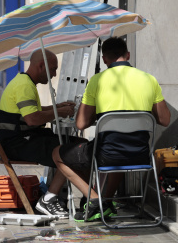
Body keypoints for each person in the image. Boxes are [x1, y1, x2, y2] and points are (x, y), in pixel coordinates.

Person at [52, 37, 171, 222]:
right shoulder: (149, 79)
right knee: (119, 150)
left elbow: (81, 124)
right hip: (140, 154)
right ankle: (103, 202)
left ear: (105, 59)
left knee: (58, 153)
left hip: (107, 155)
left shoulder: (97, 80)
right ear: (128, 55)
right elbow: (164, 119)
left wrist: (96, 115)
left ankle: (94, 200)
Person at [0, 49, 86, 218]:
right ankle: (49, 199)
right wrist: (59, 113)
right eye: (52, 69)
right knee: (69, 151)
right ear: (41, 66)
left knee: (80, 146)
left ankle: (86, 197)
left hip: (25, 139)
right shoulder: (24, 86)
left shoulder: (25, 82)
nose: (53, 75)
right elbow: (32, 119)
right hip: (18, 144)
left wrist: (57, 107)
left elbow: (32, 111)